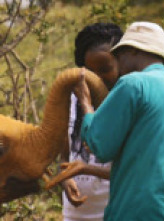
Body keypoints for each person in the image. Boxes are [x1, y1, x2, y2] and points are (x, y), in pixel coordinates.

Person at [73, 21, 164, 220]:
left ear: (135, 51)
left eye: (120, 54)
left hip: (136, 211)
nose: (119, 63)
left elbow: (99, 146)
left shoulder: (132, 84)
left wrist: (86, 103)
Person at [61, 23, 123, 221]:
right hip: (74, 215)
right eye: (89, 71)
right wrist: (66, 178)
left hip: (114, 213)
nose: (96, 78)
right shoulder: (72, 99)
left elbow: (132, 170)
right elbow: (64, 154)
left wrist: (85, 169)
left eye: (105, 69)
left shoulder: (126, 102)